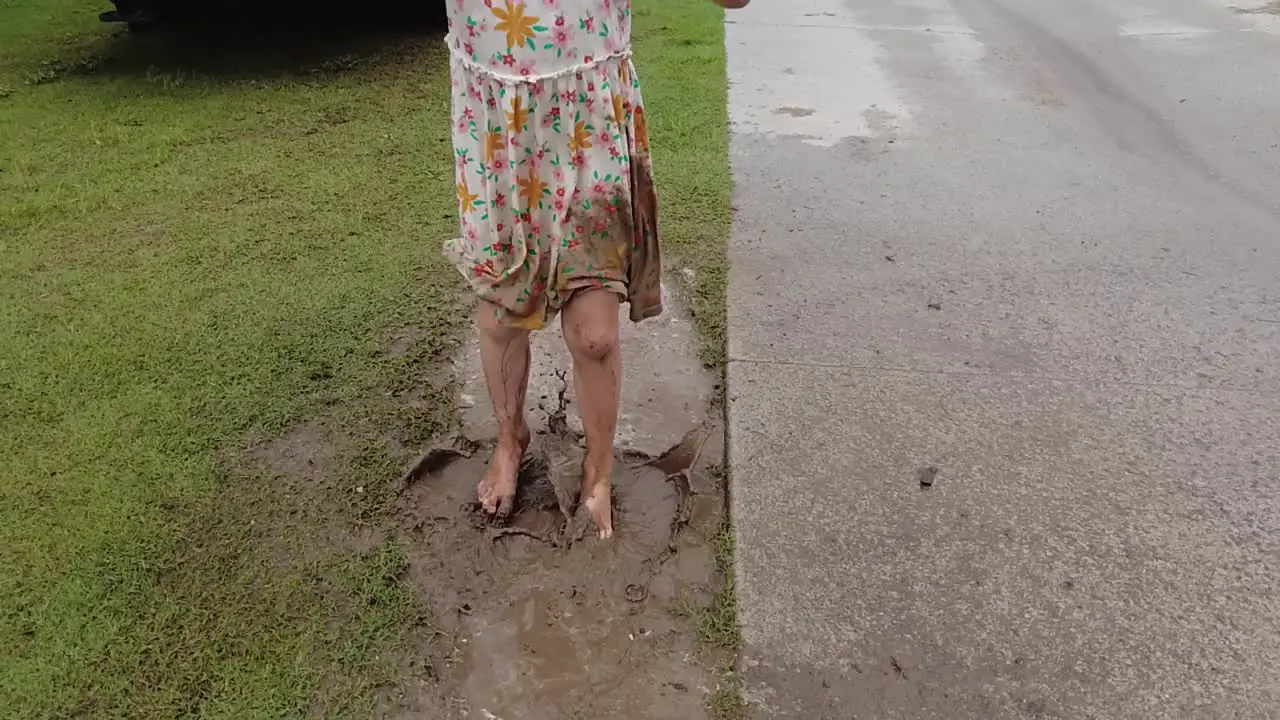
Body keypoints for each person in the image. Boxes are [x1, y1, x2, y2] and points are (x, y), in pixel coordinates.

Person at [444, 0, 750, 539]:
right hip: (496, 129)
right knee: (500, 316)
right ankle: (510, 440)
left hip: (592, 118)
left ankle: (599, 472)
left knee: (595, 336)